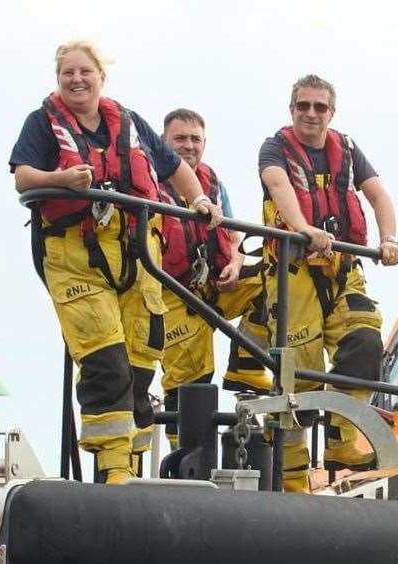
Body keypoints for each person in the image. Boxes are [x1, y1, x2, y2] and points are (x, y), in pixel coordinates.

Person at [9, 41, 222, 484]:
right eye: (67, 72)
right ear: (58, 78)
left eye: (85, 71)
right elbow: (23, 177)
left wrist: (198, 198)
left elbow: (172, 168)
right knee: (106, 361)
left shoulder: (127, 121)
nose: (77, 79)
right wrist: (61, 180)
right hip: (77, 260)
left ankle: (132, 467)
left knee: (142, 359)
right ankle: (112, 472)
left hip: (137, 256)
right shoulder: (42, 124)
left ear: (101, 77)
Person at [259, 74, 398, 492]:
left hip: (343, 271)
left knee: (365, 343)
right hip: (294, 275)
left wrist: (389, 239)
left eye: (320, 107)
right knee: (298, 379)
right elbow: (278, 184)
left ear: (331, 113)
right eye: (303, 105)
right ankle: (291, 481)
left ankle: (341, 440)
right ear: (292, 110)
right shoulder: (275, 148)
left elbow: (378, 195)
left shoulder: (350, 150)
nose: (311, 113)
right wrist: (304, 228)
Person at [158, 108, 270, 448]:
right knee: (191, 381)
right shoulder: (147, 181)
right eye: (180, 139)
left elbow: (235, 238)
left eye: (195, 139)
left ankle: (245, 367)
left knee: (274, 278)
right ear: (163, 143)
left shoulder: (214, 184)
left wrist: (235, 264)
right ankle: (183, 458)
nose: (188, 146)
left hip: (216, 287)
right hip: (173, 294)